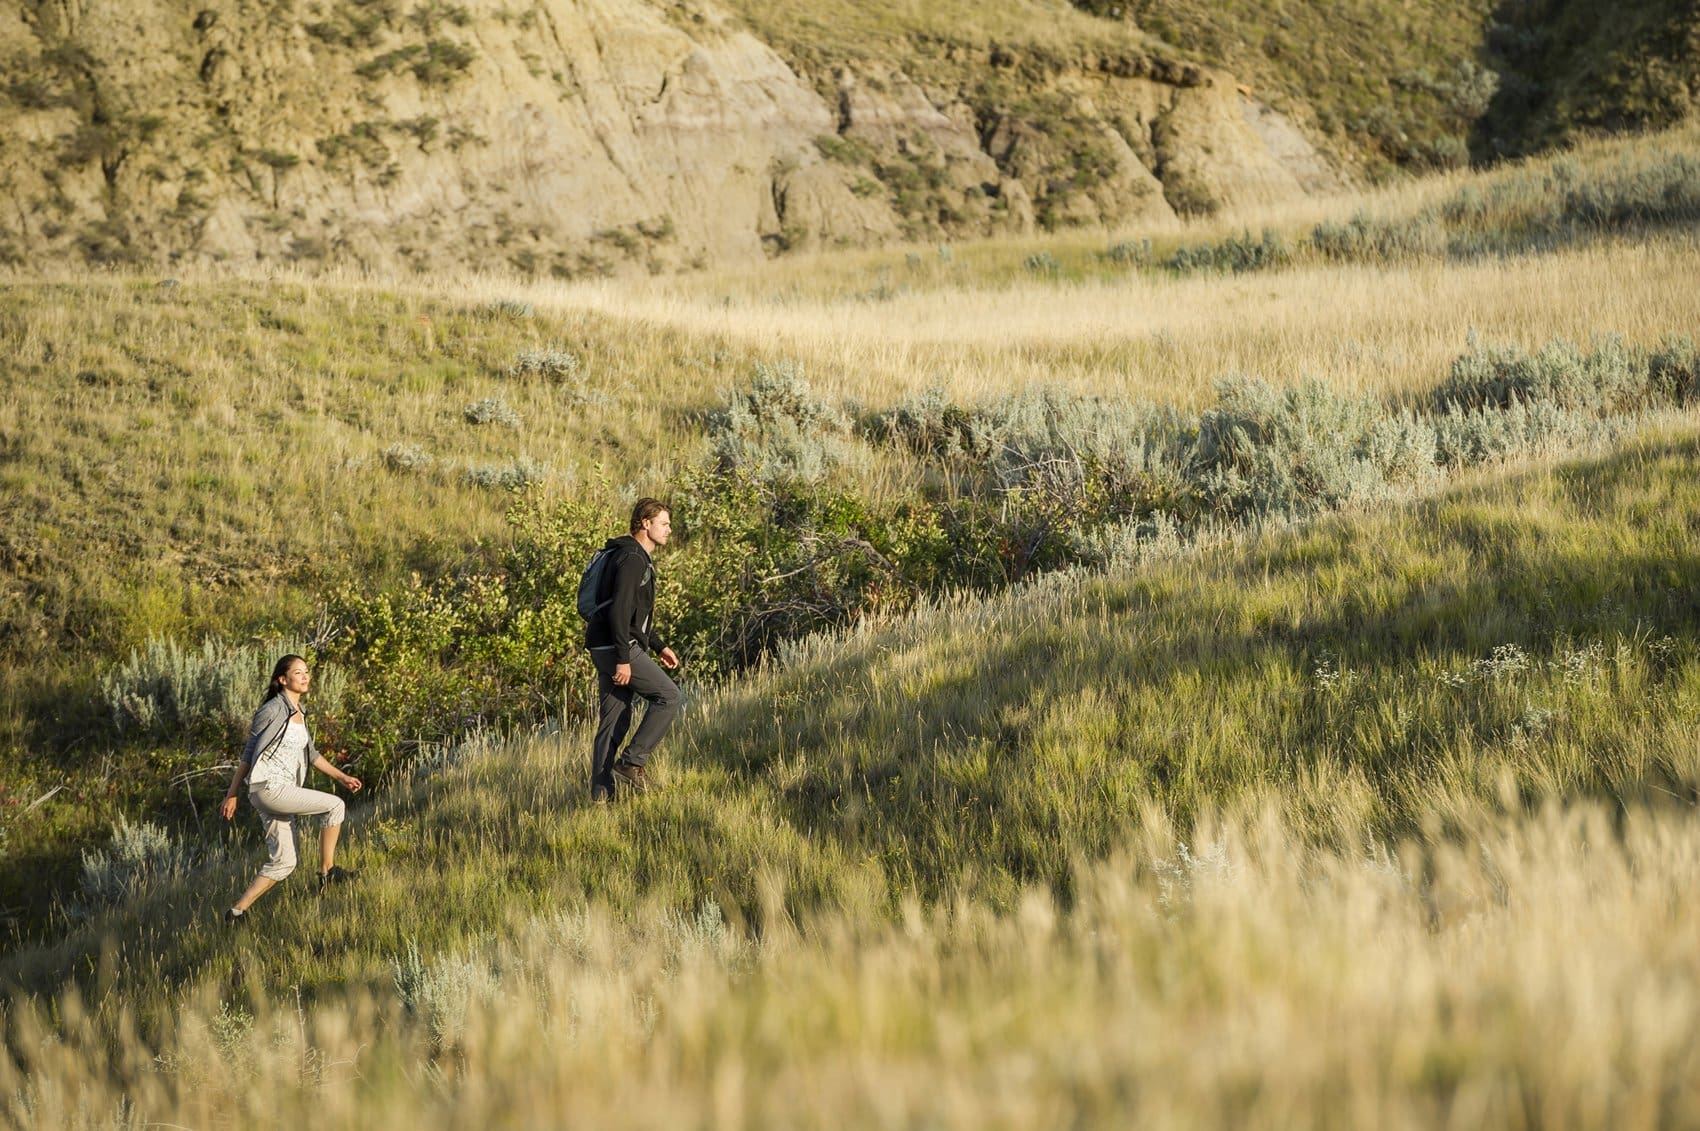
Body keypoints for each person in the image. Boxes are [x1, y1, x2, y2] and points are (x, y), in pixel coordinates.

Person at [219, 654, 363, 924]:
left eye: (306, 671)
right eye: (298, 673)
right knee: (335, 806)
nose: (305, 676)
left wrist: (341, 777)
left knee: (284, 862)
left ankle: (237, 912)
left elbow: (312, 755)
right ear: (282, 680)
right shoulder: (273, 709)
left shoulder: (300, 713)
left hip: (280, 791)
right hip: (269, 788)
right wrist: (232, 793)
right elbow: (249, 753)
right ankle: (327, 872)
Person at [585, 498, 681, 803]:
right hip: (618, 647)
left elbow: (631, 615)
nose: (669, 529)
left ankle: (601, 799)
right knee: (669, 696)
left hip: (604, 645)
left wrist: (658, 644)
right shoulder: (633, 558)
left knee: (613, 721)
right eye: (664, 523)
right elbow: (620, 611)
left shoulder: (624, 554)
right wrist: (624, 659)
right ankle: (632, 763)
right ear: (645, 523)